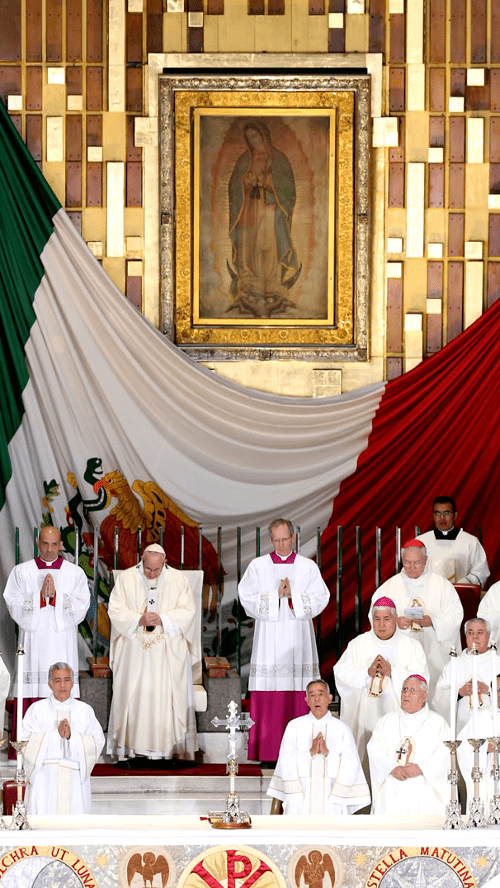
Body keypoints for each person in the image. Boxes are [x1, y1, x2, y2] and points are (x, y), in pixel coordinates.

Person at [238, 518, 330, 765]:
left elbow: (322, 597)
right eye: (276, 540)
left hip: (298, 635)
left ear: (293, 538)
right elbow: (245, 597)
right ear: (271, 540)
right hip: (269, 638)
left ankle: (300, 752)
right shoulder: (258, 566)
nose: (280, 544)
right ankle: (269, 753)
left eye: (284, 539)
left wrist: (293, 597)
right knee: (270, 692)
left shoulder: (307, 567)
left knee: (298, 690)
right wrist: (275, 595)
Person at [107, 543, 197, 762]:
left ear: (165, 562)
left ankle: (167, 752)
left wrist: (163, 619)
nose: (151, 574)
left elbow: (188, 611)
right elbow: (115, 609)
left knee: (163, 695)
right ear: (142, 560)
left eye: (156, 570)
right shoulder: (126, 579)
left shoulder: (178, 580)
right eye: (148, 568)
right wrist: (139, 619)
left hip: (167, 651)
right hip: (134, 650)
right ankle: (133, 749)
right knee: (136, 693)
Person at [334, 596, 428, 764]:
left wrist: (393, 672)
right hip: (365, 716)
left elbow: (422, 679)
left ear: (395, 618)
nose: (381, 624)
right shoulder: (358, 644)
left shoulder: (411, 646)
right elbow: (340, 672)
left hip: (397, 714)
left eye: (386, 619)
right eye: (377, 619)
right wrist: (365, 673)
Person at [3, 525, 90, 700]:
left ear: (61, 545)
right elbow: (12, 601)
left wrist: (56, 598)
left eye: (54, 544)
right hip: (33, 638)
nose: (49, 549)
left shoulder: (75, 573)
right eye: (45, 544)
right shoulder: (22, 571)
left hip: (62, 638)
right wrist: (40, 598)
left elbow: (82, 605)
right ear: (38, 544)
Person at [371, 539, 463, 694]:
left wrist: (433, 621)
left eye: (417, 563)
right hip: (402, 656)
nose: (412, 567)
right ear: (402, 560)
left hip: (434, 656)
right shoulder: (388, 587)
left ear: (425, 560)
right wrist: (395, 622)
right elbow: (374, 615)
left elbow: (455, 615)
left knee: (434, 692)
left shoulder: (442, 585)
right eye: (407, 563)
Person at [227, 121, 300, 318]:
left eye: (256, 137)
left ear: (264, 136)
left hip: (270, 210)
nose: (253, 141)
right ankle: (249, 279)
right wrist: (245, 183)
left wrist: (269, 183)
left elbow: (289, 191)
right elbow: (234, 188)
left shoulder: (279, 160)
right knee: (249, 243)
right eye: (250, 138)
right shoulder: (244, 160)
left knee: (268, 243)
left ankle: (272, 281)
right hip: (249, 209)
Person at [267, 679, 370, 815]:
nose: (316, 699)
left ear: (329, 698)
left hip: (332, 800)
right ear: (307, 700)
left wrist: (328, 754)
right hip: (301, 799)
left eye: (321, 694)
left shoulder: (342, 729)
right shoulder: (294, 726)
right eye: (312, 695)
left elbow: (352, 766)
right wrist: (310, 752)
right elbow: (284, 763)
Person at [21, 662, 104, 814]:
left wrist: (72, 737)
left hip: (75, 777)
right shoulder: (36, 710)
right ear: (50, 684)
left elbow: (97, 741)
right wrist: (55, 736)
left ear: (73, 683)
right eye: (57, 681)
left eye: (66, 680)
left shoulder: (85, 710)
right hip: (44, 777)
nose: (62, 685)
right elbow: (25, 742)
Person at [367, 675, 450, 815]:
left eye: (413, 690)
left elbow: (445, 754)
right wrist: (392, 767)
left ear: (424, 696)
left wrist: (421, 768)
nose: (406, 694)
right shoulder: (386, 721)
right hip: (392, 789)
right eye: (404, 689)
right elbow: (374, 750)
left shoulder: (438, 723)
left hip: (423, 790)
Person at [434, 617, 500, 733]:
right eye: (470, 633)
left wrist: (489, 691)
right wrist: (459, 693)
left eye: (480, 633)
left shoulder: (497, 663)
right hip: (462, 730)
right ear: (465, 636)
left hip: (493, 729)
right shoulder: (453, 665)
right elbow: (437, 699)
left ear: (488, 635)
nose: (475, 637)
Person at [416, 496, 489, 587]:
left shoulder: (470, 542)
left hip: (460, 595)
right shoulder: (421, 541)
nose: (442, 518)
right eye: (438, 513)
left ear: (455, 515)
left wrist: (463, 583)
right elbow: (412, 570)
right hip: (428, 595)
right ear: (433, 516)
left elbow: (481, 572)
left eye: (447, 513)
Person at [457, 673, 500, 811]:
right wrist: (487, 748)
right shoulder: (480, 718)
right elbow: (462, 748)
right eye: (497, 690)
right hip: (486, 788)